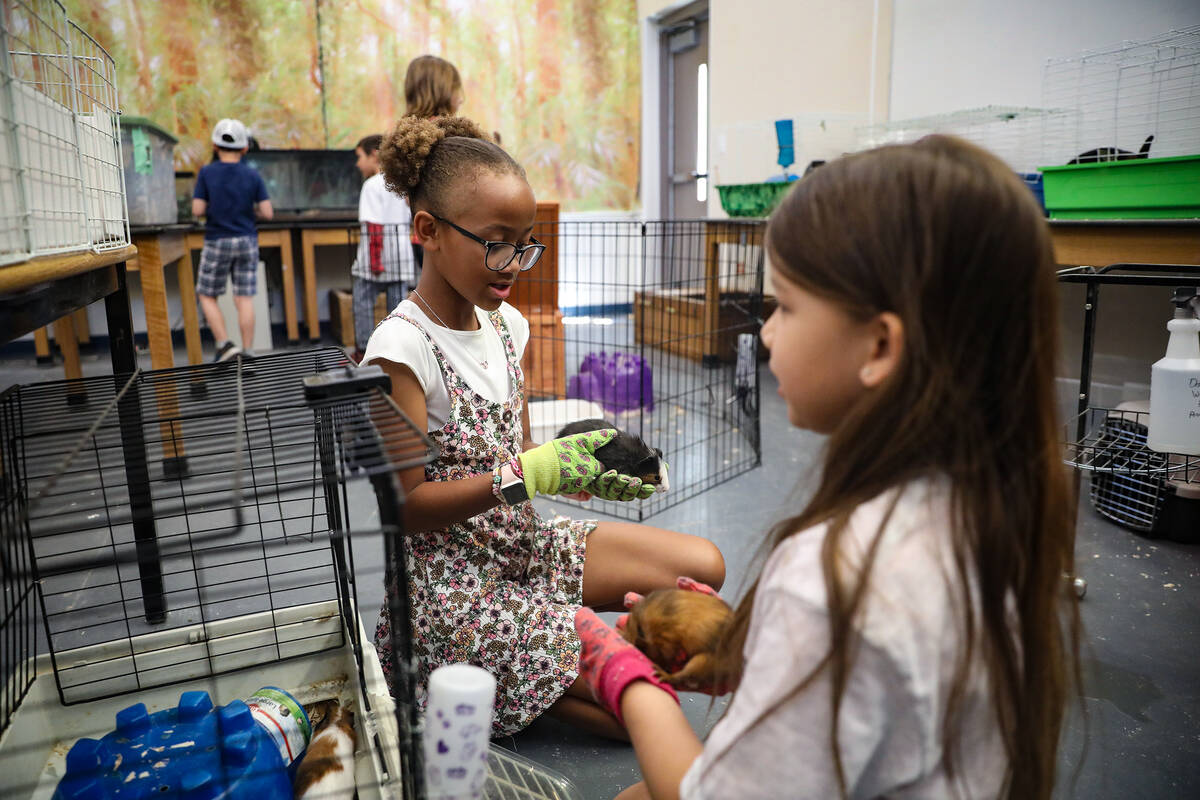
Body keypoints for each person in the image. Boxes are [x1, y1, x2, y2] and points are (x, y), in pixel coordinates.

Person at [575, 135, 1081, 799]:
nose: (764, 332)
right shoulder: (994, 513)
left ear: (879, 344)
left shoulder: (830, 580)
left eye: (784, 305)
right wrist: (756, 653)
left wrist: (627, 680)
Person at [361, 115, 725, 740]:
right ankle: (485, 663)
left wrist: (575, 471)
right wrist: (525, 475)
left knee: (702, 563)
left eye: (525, 245)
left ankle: (533, 657)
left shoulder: (507, 326)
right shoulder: (400, 347)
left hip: (521, 547)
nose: (513, 266)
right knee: (638, 700)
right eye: (496, 243)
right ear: (428, 231)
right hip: (450, 589)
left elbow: (519, 450)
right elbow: (406, 508)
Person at [192, 118, 272, 361]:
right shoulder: (252, 175)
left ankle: (225, 344)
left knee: (207, 295)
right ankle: (248, 351)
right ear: (245, 148)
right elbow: (267, 212)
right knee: (244, 298)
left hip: (217, 239)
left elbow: (197, 209)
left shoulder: (206, 173)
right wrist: (250, 211)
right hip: (246, 240)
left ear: (215, 146)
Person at [349, 133, 417, 361]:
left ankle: (364, 351)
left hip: (374, 261)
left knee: (362, 303)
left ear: (375, 155)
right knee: (397, 310)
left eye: (360, 157)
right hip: (400, 258)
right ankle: (396, 353)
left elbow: (374, 225)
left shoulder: (371, 185)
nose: (358, 164)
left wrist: (375, 261)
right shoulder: (402, 182)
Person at [403, 55, 466, 271]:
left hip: (423, 233)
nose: (461, 98)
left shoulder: (409, 133)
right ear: (443, 90)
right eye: (457, 89)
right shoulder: (442, 134)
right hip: (451, 233)